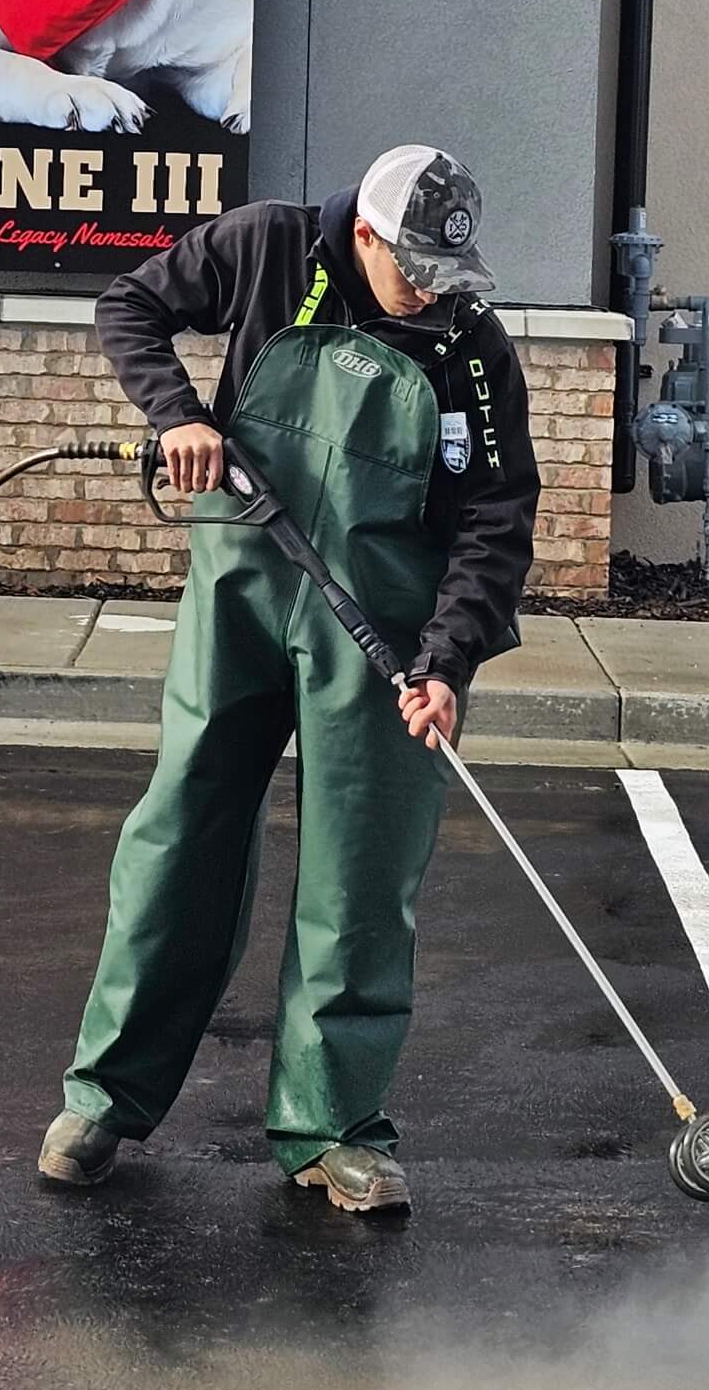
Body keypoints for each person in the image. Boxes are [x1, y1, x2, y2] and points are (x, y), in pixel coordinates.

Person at [39, 145, 541, 1214]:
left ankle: (334, 1127)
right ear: (362, 232)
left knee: (360, 872)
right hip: (244, 587)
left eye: (448, 272)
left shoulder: (473, 348)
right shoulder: (268, 247)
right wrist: (178, 412)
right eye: (414, 267)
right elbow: (130, 303)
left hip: (387, 629)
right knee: (182, 831)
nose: (434, 289)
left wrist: (448, 661)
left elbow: (498, 520)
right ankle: (105, 1097)